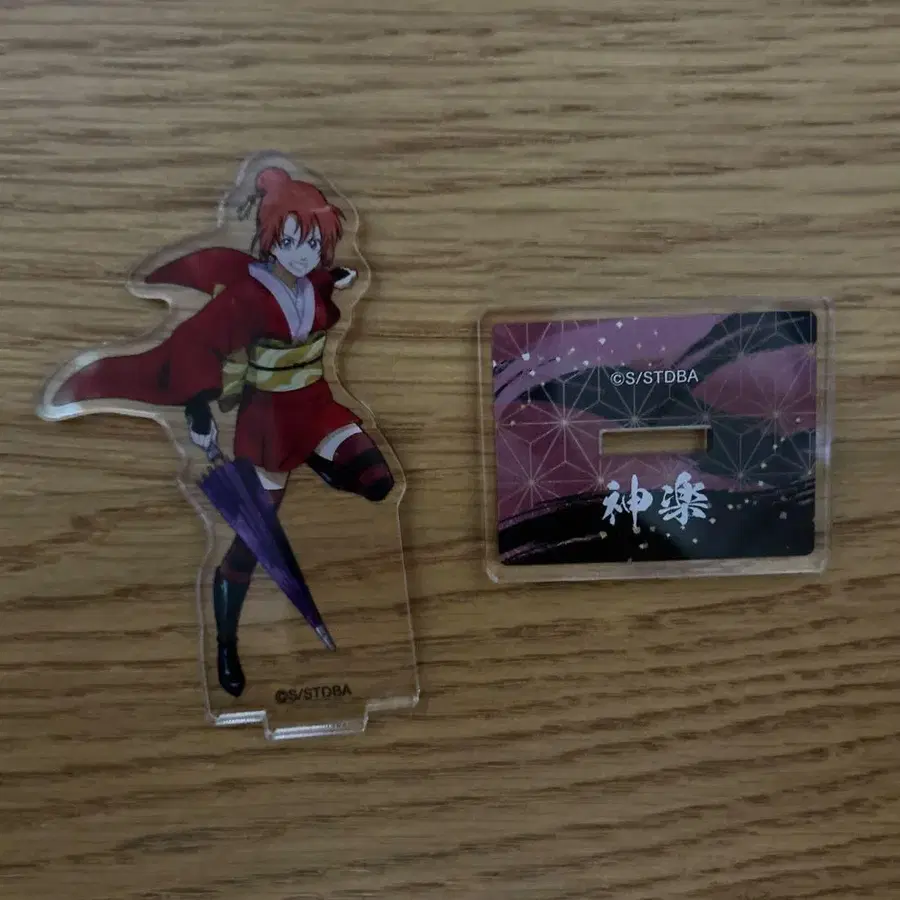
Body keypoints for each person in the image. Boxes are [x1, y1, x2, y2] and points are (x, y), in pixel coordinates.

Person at [50, 166, 394, 697]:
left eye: (313, 244)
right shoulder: (247, 297)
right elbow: (198, 345)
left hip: (318, 408)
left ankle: (320, 462)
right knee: (251, 543)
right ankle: (228, 644)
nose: (302, 254)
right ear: (271, 238)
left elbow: (319, 285)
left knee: (377, 480)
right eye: (291, 242)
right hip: (269, 424)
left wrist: (335, 277)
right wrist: (198, 410)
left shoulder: (311, 282)